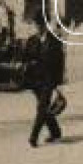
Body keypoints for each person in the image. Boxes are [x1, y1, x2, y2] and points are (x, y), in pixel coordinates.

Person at [23, 19, 65, 148]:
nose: (39, 28)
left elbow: (60, 62)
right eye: (37, 25)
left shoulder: (54, 41)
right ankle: (55, 132)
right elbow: (25, 58)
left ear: (46, 25)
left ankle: (33, 137)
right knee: (44, 108)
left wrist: (58, 82)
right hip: (35, 80)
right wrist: (28, 65)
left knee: (41, 107)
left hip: (49, 79)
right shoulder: (31, 41)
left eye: (41, 25)